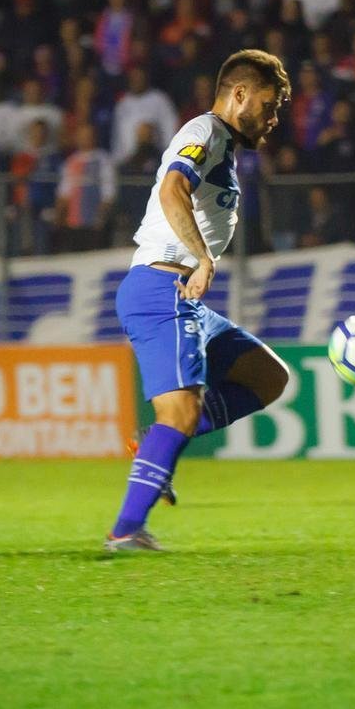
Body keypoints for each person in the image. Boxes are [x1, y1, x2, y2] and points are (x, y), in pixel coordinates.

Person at [105, 49, 291, 551]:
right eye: (269, 106)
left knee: (268, 376)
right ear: (239, 95)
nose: (273, 120)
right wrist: (203, 257)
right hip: (161, 288)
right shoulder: (204, 131)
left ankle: (155, 446)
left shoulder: (223, 148)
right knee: (181, 414)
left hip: (183, 297)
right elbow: (171, 191)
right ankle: (126, 530)